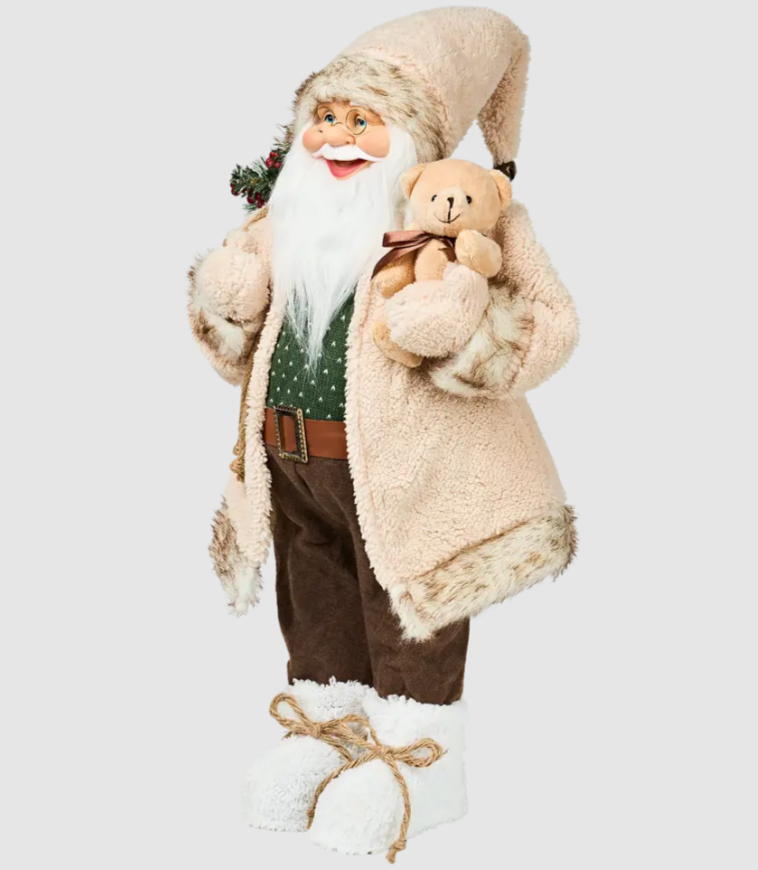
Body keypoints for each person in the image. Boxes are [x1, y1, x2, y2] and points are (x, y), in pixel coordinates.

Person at [188, 7, 579, 858]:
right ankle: (329, 730)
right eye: (326, 116)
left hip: (412, 476)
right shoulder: (281, 221)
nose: (337, 137)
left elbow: (551, 324)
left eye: (364, 121)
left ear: (415, 143)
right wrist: (224, 308)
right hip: (293, 466)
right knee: (314, 596)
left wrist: (465, 332)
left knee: (405, 598)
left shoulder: (466, 222)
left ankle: (419, 758)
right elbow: (236, 346)